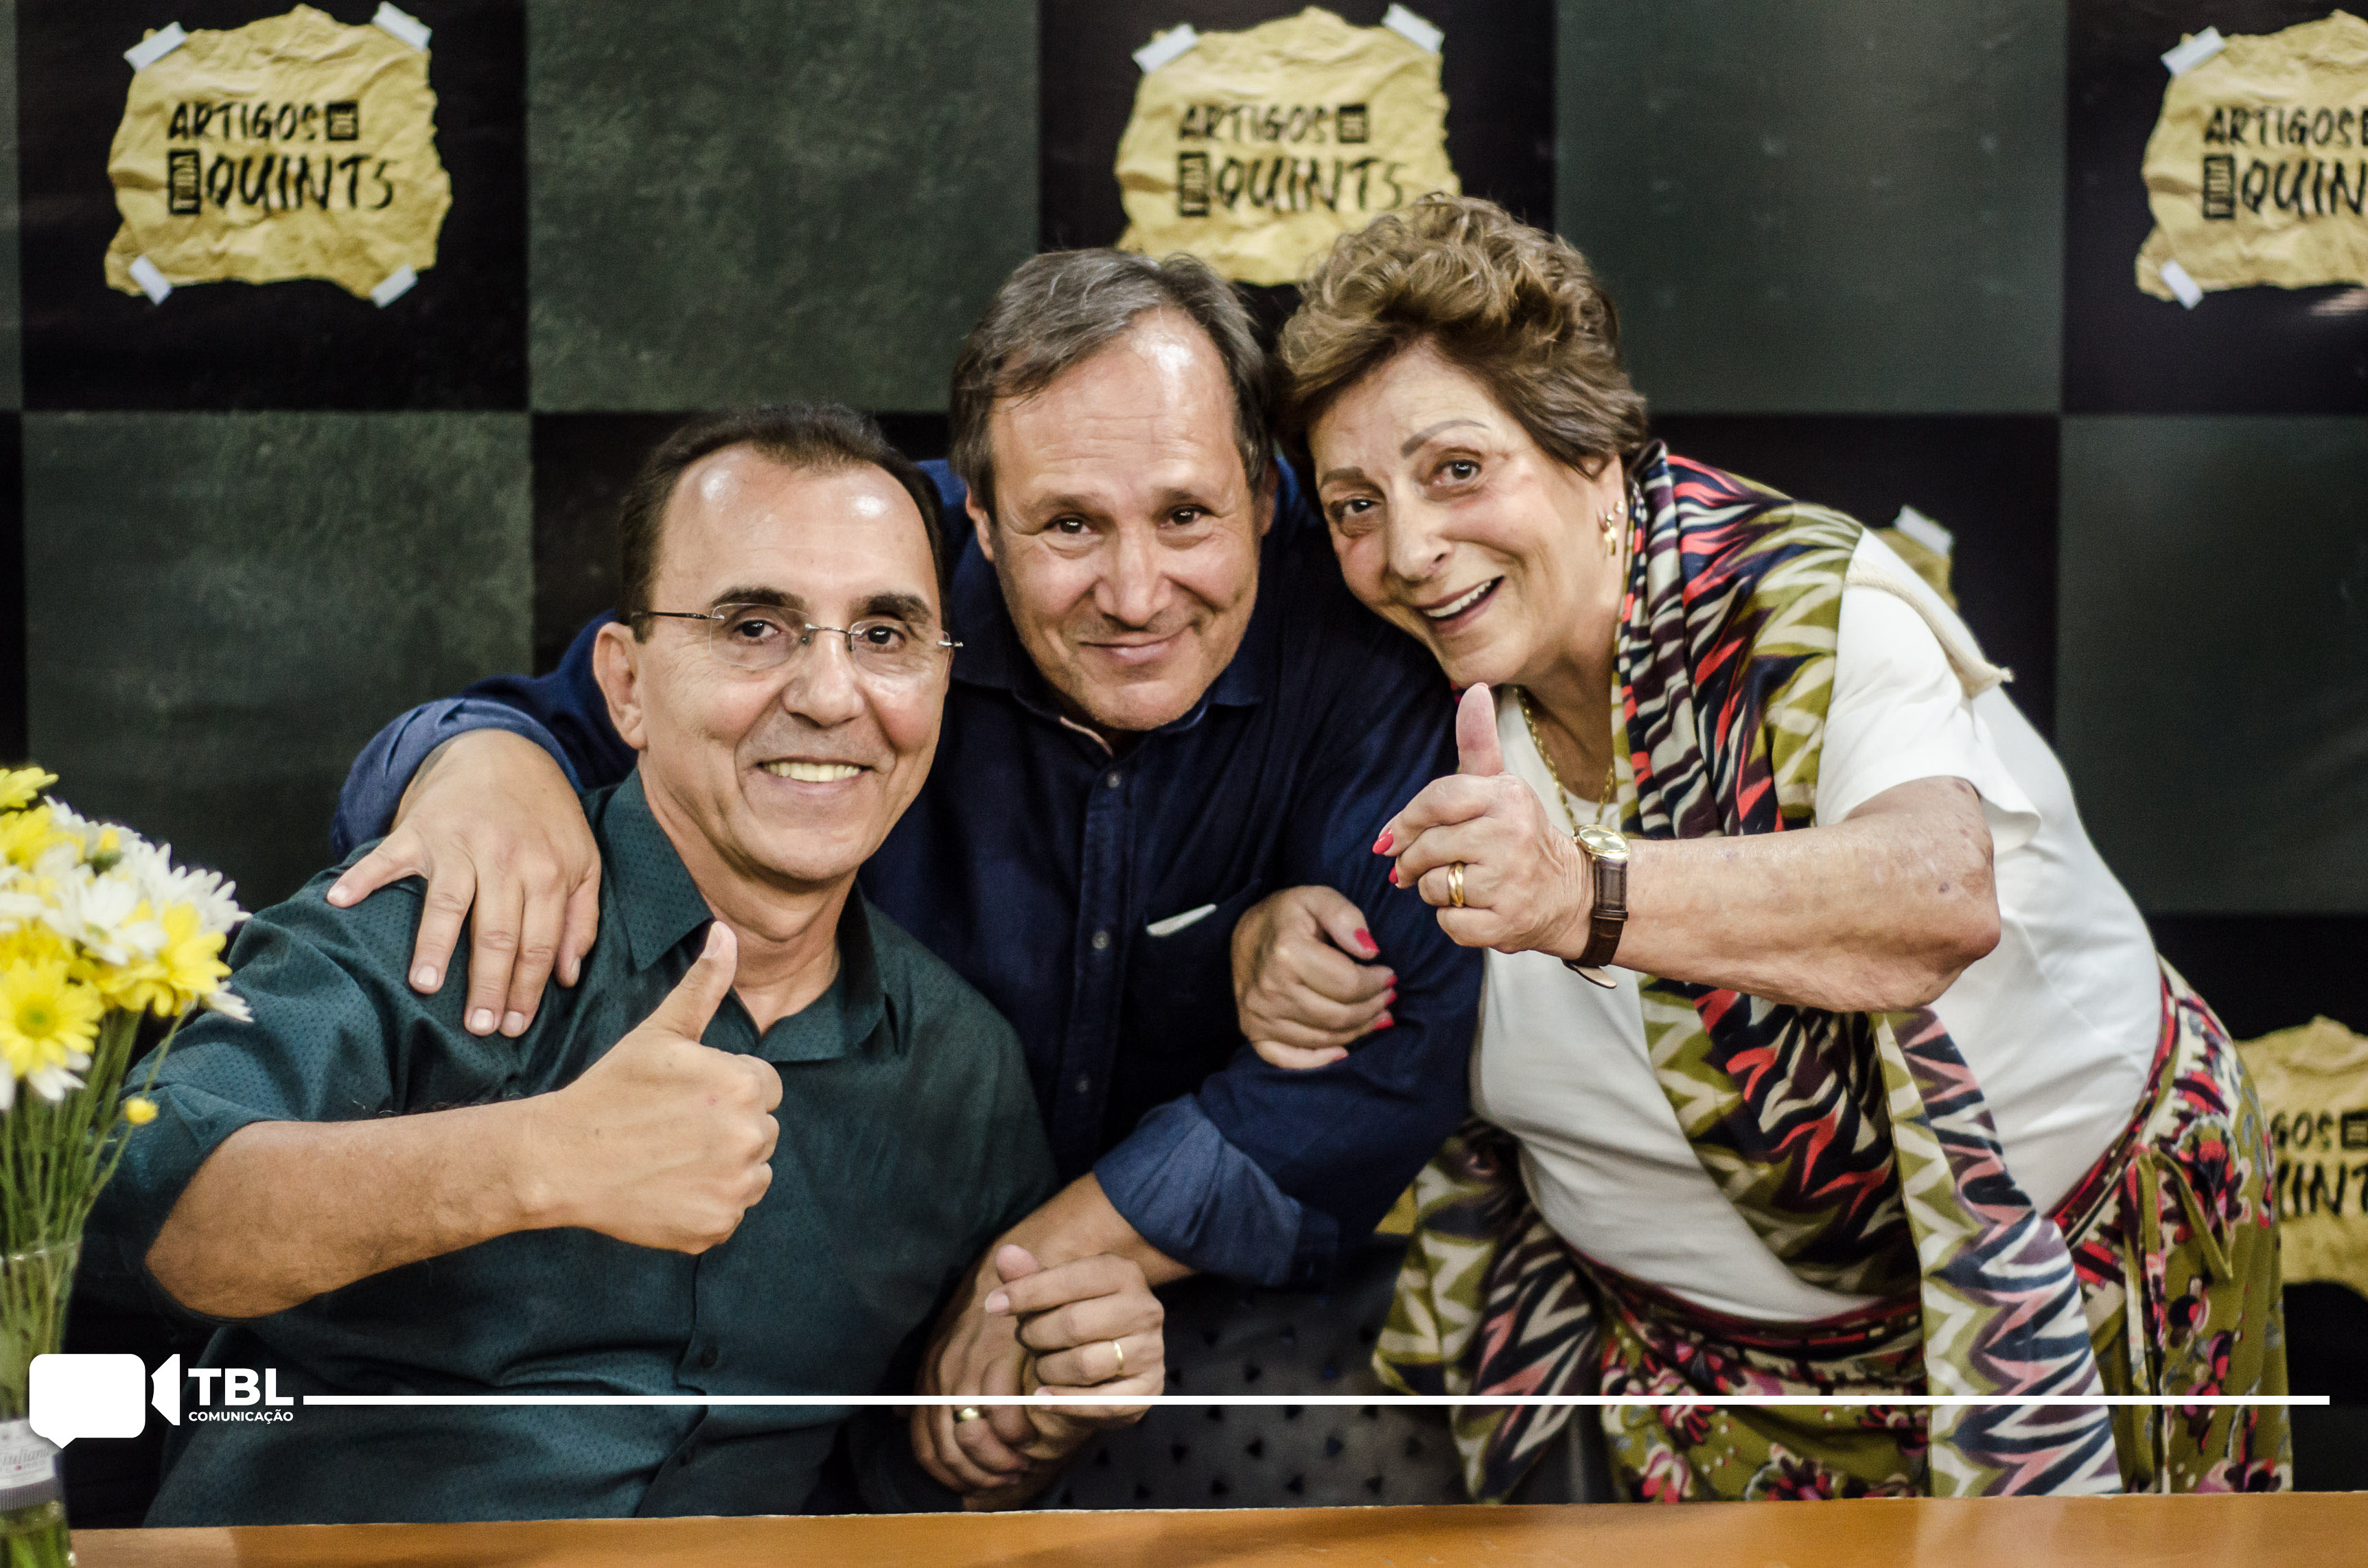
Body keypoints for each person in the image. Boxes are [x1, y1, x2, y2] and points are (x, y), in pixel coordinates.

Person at [323, 251, 1481, 1499]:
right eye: (1068, 525)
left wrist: (1038, 1268)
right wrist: (476, 762)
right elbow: (587, 713)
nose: (1136, 591)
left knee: (1335, 1465)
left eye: (1186, 516)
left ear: (1264, 493)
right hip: (804, 1247)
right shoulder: (868, 566)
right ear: (973, 516)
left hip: (1167, 1285)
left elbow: (1401, 1040)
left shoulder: (1361, 626)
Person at [1232, 195, 2288, 1501]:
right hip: (1693, 1383)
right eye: (1353, 505)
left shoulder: (1799, 604)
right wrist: (1264, 932)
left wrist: (1582, 894)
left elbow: (1938, 896)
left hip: (2063, 1302)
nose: (1407, 549)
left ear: (1589, 452)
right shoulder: (1394, 678)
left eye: (1457, 469)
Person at [89, 405, 1164, 1524]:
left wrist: (1025, 1416)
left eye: (885, 634)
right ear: (627, 684)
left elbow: (899, 1477)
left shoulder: (961, 1066)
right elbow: (132, 1205)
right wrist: (534, 1158)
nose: (829, 693)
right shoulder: (450, 906)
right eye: (755, 627)